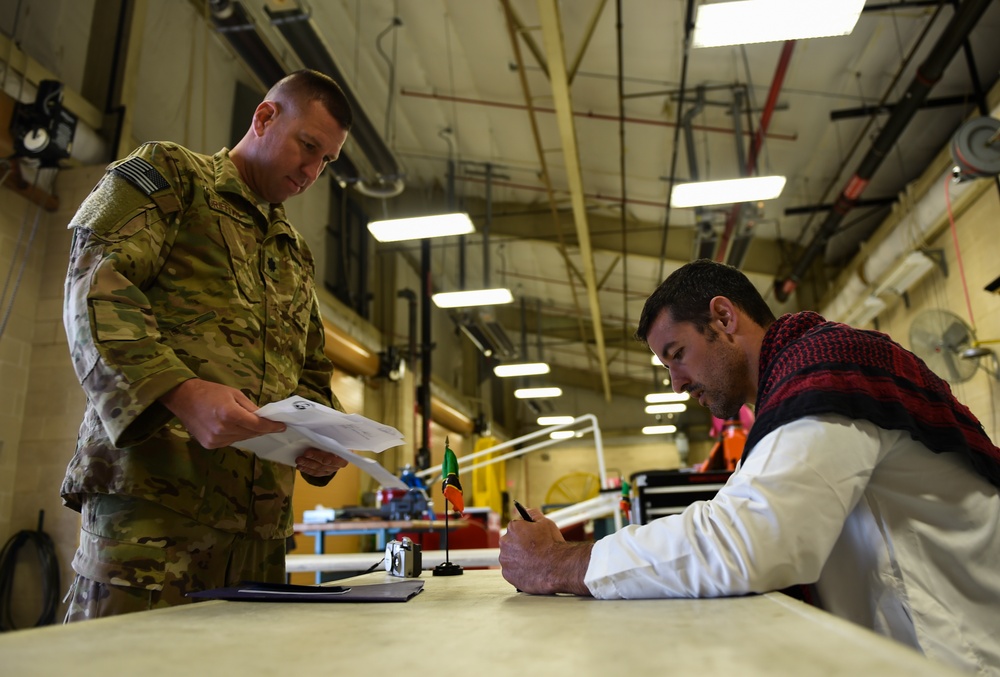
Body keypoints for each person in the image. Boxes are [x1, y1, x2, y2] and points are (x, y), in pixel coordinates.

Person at [500, 259, 1000, 674]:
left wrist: (559, 564)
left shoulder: (827, 366)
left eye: (677, 355)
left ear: (723, 318)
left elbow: (748, 539)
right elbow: (739, 520)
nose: (675, 383)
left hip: (963, 657)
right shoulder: (789, 396)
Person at [61, 69, 354, 621]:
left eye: (326, 162)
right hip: (153, 511)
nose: (312, 171)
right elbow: (96, 283)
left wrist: (325, 440)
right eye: (307, 147)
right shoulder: (172, 176)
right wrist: (180, 390)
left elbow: (312, 374)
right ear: (265, 117)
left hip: (257, 531)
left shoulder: (292, 252)